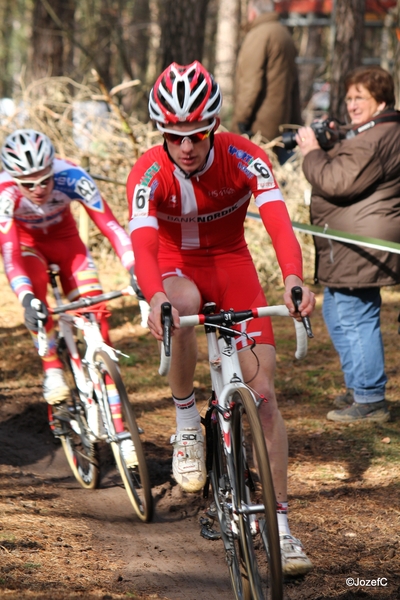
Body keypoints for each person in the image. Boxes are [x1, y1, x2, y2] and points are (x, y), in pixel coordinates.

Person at [127, 60, 315, 576]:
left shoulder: (244, 157)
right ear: (162, 133)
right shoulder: (147, 172)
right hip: (175, 267)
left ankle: (279, 527)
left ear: (213, 127)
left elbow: (277, 223)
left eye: (196, 134)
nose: (186, 146)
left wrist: (294, 277)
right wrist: (153, 298)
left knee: (267, 399)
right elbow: (142, 245)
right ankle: (188, 420)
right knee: (183, 306)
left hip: (232, 265)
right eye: (174, 135)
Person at [0, 129, 137, 408]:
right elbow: (11, 254)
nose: (38, 189)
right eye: (28, 185)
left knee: (96, 313)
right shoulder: (4, 192)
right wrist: (27, 299)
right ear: (15, 180)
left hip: (66, 243)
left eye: (44, 180)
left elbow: (110, 226)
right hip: (28, 248)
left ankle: (114, 407)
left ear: (53, 169)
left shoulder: (72, 176)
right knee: (37, 296)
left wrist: (135, 268)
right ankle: (51, 367)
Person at [296, 65, 400, 423]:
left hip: (362, 243)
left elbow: (338, 181)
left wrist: (312, 152)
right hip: (348, 243)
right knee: (338, 312)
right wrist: (333, 144)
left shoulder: (379, 136)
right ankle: (360, 388)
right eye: (350, 97)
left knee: (356, 314)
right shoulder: (371, 133)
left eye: (361, 98)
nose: (352, 104)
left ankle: (371, 398)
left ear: (381, 101)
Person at [232, 0, 302, 164]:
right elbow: (295, 86)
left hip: (259, 131)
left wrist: (238, 127)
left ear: (252, 13)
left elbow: (250, 85)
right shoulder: (285, 34)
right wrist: (296, 125)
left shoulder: (258, 36)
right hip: (283, 129)